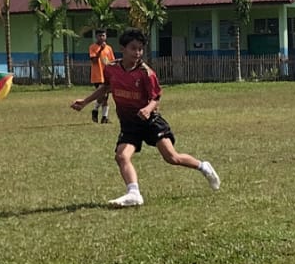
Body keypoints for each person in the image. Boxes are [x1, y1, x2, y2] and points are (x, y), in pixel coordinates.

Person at [70, 29, 220, 207]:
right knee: (121, 156)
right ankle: (134, 193)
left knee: (172, 157)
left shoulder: (146, 73)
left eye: (140, 49)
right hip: (130, 124)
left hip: (151, 122)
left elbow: (156, 98)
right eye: (133, 48)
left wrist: (148, 109)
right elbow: (106, 87)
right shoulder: (111, 68)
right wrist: (85, 101)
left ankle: (204, 167)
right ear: (123, 49)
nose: (137, 53)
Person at [88, 29, 116, 124]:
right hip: (97, 76)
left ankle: (104, 117)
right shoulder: (93, 47)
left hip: (107, 75)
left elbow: (112, 61)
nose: (102, 37)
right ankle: (95, 110)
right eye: (100, 36)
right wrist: (100, 50)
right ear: (96, 37)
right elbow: (94, 61)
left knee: (106, 97)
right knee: (102, 95)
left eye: (103, 35)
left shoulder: (109, 48)